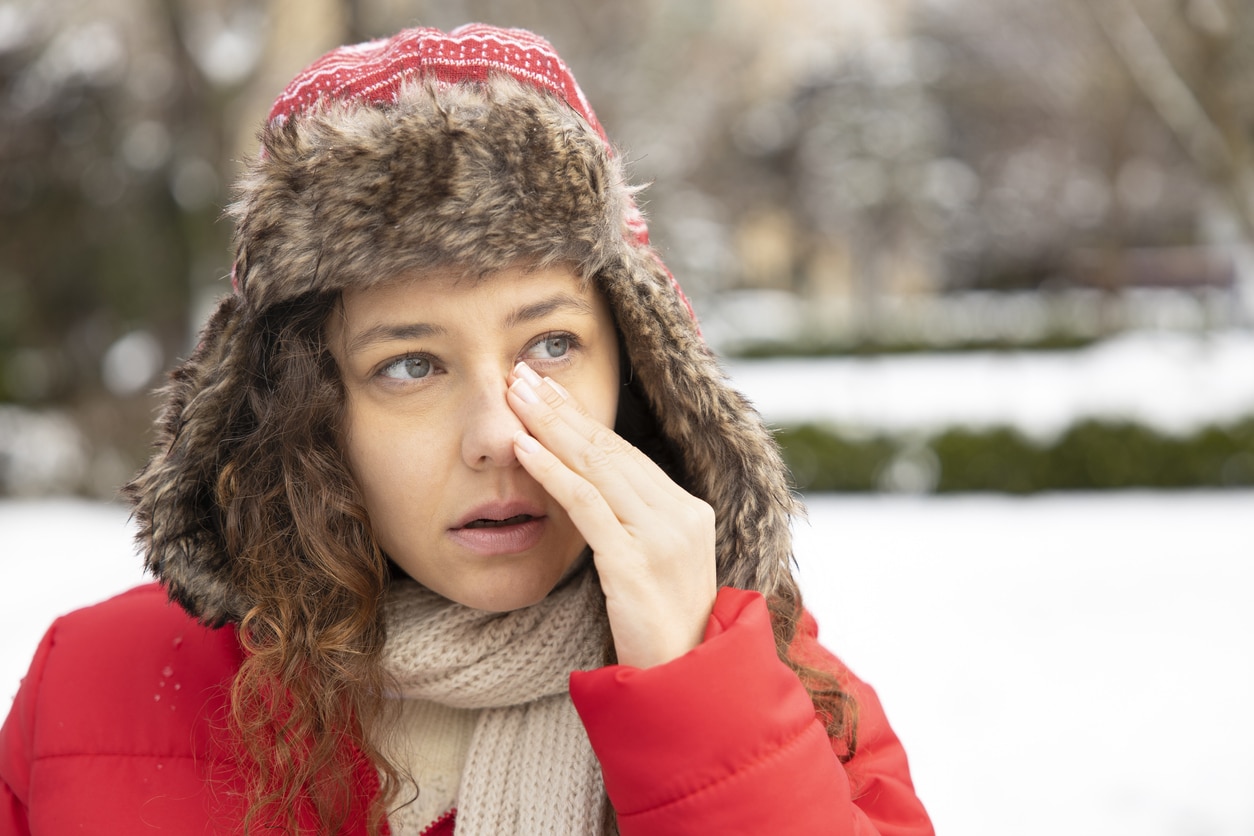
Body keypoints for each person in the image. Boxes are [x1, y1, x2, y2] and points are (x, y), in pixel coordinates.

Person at [0, 23, 933, 836]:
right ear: (306, 413)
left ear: (641, 375)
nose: (497, 434)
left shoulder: (785, 695)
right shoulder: (92, 685)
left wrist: (696, 691)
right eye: (411, 365)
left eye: (553, 345)